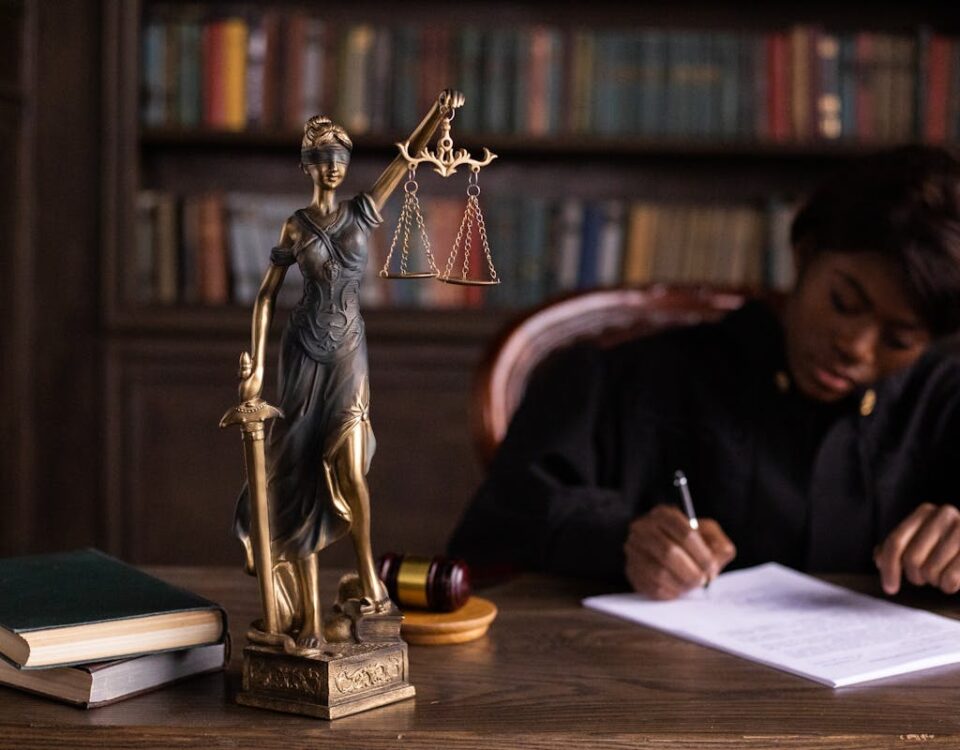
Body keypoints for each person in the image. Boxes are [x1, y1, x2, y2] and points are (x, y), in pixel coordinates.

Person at [447, 144, 960, 601]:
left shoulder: (943, 400)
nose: (856, 348)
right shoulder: (623, 378)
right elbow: (496, 528)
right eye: (844, 302)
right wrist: (621, 539)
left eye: (898, 339)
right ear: (804, 256)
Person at [233, 90, 464, 647]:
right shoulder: (295, 225)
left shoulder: (365, 209)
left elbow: (408, 157)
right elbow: (267, 296)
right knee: (302, 474)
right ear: (306, 165)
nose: (333, 166)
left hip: (349, 354)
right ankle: (308, 609)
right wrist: (256, 369)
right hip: (301, 356)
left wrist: (439, 113)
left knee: (353, 469)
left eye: (340, 157)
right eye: (322, 158)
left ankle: (367, 578)